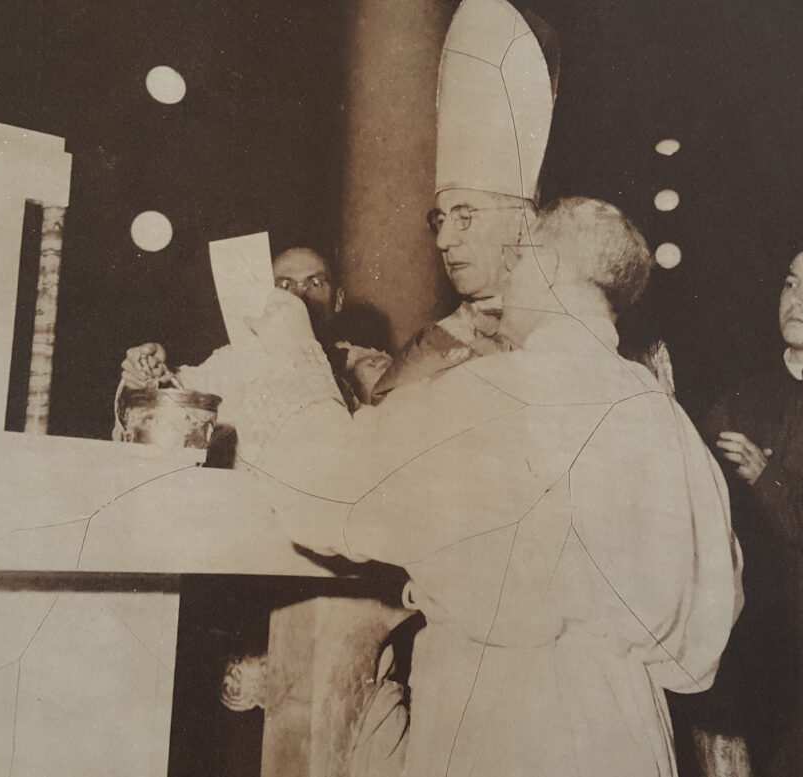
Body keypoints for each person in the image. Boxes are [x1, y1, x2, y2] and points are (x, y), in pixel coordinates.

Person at [254, 197, 743, 777]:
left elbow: (329, 493)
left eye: (523, 256)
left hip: (507, 719)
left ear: (553, 268)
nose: (508, 272)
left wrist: (291, 349)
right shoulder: (662, 413)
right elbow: (712, 621)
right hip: (630, 724)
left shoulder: (502, 390)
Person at [684, 247, 803, 777]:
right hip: (752, 630)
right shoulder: (737, 399)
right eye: (790, 283)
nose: (797, 298)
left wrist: (768, 480)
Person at [369, 0, 556, 400]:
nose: (442, 241)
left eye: (464, 216)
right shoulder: (433, 345)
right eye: (439, 220)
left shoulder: (569, 339)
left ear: (523, 227)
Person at [120, 246, 390, 458]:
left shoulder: (368, 366)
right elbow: (178, 398)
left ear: (339, 299)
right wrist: (147, 374)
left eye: (315, 283)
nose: (299, 296)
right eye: (284, 285)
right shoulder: (235, 360)